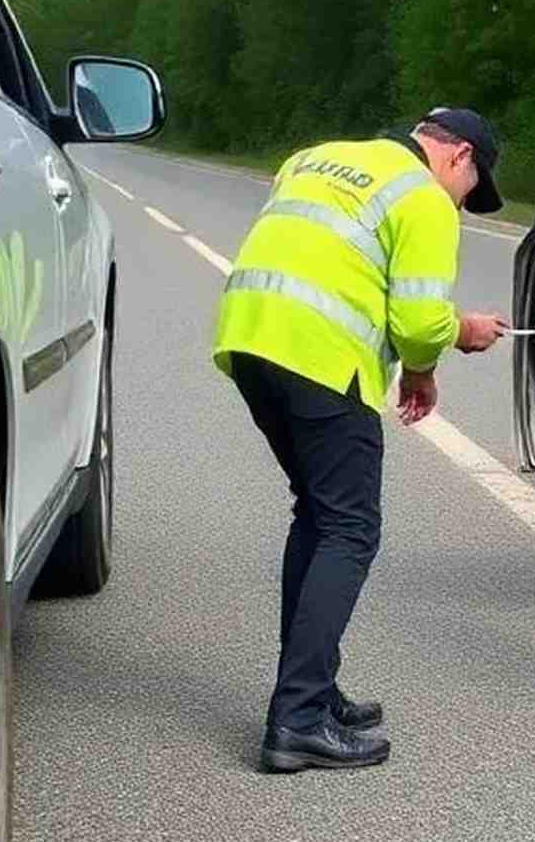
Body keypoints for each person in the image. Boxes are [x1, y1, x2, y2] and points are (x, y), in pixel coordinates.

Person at [213, 108, 510, 774]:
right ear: (458, 155)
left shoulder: (317, 156)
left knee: (318, 515)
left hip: (250, 339)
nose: (464, 203)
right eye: (472, 187)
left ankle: (314, 688)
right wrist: (455, 339)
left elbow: (324, 257)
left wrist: (423, 357)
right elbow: (419, 320)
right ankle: (297, 719)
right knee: (350, 529)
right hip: (321, 356)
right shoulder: (423, 197)